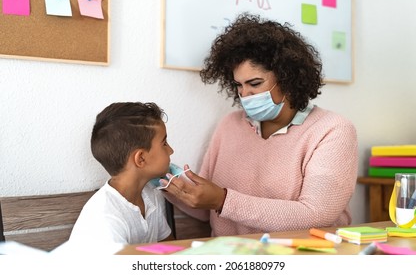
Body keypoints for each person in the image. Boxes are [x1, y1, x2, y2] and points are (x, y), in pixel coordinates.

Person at [160, 13, 358, 236]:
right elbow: (207, 210)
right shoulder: (229, 126)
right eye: (239, 85)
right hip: (233, 257)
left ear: (287, 78)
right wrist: (164, 180)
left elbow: (317, 215)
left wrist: (224, 199)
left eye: (254, 83)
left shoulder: (332, 130)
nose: (245, 94)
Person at [69, 102, 174, 253]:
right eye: (164, 143)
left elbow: (168, 248)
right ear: (141, 159)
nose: (171, 150)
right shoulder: (106, 220)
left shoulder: (150, 194)